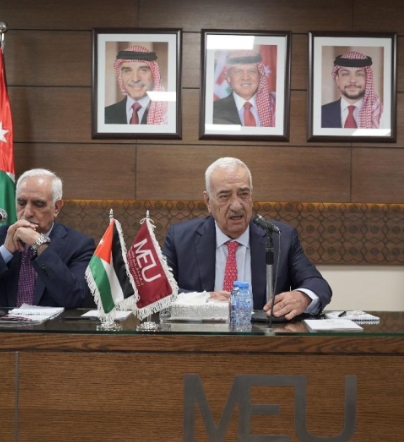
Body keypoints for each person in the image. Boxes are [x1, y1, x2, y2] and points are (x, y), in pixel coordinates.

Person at [162, 157, 332, 319]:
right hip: (201, 335)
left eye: (243, 194)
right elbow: (157, 292)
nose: (236, 206)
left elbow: (317, 284)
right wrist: (203, 300)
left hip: (261, 336)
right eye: (224, 196)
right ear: (208, 201)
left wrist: (302, 297)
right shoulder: (180, 238)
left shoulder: (280, 237)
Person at [0, 169, 95, 309]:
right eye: (21, 203)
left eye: (38, 204)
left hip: (51, 324)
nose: (27, 213)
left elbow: (76, 299)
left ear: (56, 208)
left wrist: (40, 246)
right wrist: (4, 253)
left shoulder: (79, 245)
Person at [104, 45, 167, 125]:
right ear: (120, 76)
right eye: (127, 71)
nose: (135, 79)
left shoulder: (166, 115)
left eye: (143, 70)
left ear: (154, 75)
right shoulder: (105, 114)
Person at [213, 50, 276, 127]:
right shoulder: (214, 110)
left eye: (252, 71)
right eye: (238, 71)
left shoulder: (276, 106)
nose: (245, 77)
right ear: (228, 77)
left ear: (260, 75)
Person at [321, 51, 383, 129]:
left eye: (359, 74)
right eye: (345, 74)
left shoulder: (381, 114)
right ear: (337, 80)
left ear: (367, 79)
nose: (352, 80)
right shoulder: (320, 113)